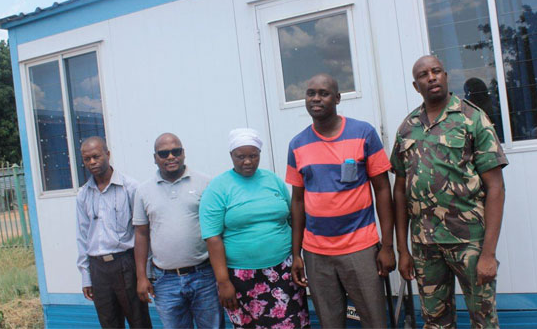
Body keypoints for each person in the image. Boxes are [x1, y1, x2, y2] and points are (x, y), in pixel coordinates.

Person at [391, 55, 508, 328]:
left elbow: (496, 187)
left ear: (446, 76)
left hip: (470, 243)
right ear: (415, 84)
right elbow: (399, 190)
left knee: (484, 320)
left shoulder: (472, 119)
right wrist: (402, 250)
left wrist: (489, 254)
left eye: (436, 71)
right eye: (423, 75)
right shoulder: (407, 127)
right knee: (434, 322)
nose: (431, 77)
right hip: (425, 246)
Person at [286, 73, 396, 328]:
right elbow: (298, 201)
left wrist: (388, 246)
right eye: (310, 93)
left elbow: (382, 189)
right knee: (330, 322)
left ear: (337, 98)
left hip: (360, 247)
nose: (316, 98)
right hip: (316, 253)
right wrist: (297, 254)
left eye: (323, 93)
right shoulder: (297, 144)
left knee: (374, 320)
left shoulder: (363, 133)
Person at [200, 128, 310, 329]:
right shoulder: (218, 188)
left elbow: (293, 218)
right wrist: (223, 282)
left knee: (292, 324)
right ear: (231, 155)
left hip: (283, 271)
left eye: (253, 156)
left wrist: (297, 255)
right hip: (241, 278)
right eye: (240, 156)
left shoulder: (273, 180)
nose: (247, 161)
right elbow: (212, 237)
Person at [133, 133, 224, 329]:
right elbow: (141, 235)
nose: (170, 157)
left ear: (183, 153)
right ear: (155, 158)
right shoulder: (143, 191)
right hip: (165, 281)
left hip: (204, 275)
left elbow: (217, 230)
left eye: (176, 151)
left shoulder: (206, 184)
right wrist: (141, 276)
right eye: (164, 153)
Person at [75, 136, 152, 329]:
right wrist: (86, 275)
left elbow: (143, 232)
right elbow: (82, 236)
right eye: (87, 159)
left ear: (107, 155)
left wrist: (146, 273)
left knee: (139, 321)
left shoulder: (130, 187)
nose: (92, 162)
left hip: (126, 264)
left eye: (96, 156)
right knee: (109, 323)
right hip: (98, 269)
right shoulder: (83, 194)